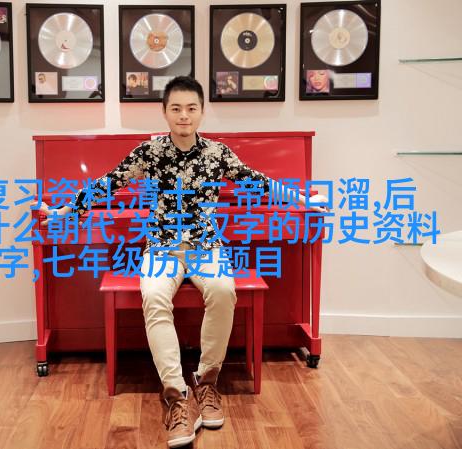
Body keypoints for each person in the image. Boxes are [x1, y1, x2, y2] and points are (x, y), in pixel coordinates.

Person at [39, 76, 328, 448]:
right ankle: (175, 396)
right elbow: (110, 183)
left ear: (202, 111)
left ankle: (207, 382)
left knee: (223, 291)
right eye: (176, 108)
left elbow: (258, 182)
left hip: (207, 248)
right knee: (154, 297)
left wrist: (303, 201)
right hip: (161, 248)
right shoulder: (149, 151)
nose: (184, 115)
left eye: (191, 108)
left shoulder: (217, 153)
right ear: (164, 112)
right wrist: (65, 210)